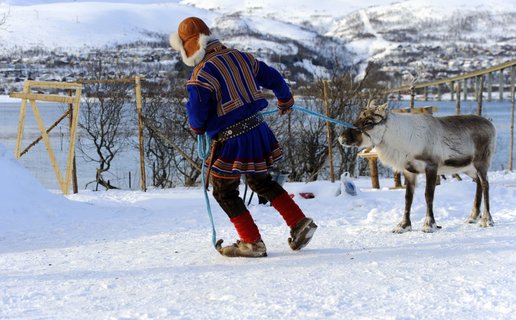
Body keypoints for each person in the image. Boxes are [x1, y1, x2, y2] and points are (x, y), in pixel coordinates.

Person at [169, 17, 317, 257]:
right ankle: (299, 223)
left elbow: (196, 115)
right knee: (261, 182)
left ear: (189, 48)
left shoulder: (200, 75)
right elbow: (273, 77)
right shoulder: (242, 57)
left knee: (224, 191)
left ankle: (251, 242)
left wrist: (198, 129)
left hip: (231, 140)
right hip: (258, 131)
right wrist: (285, 99)